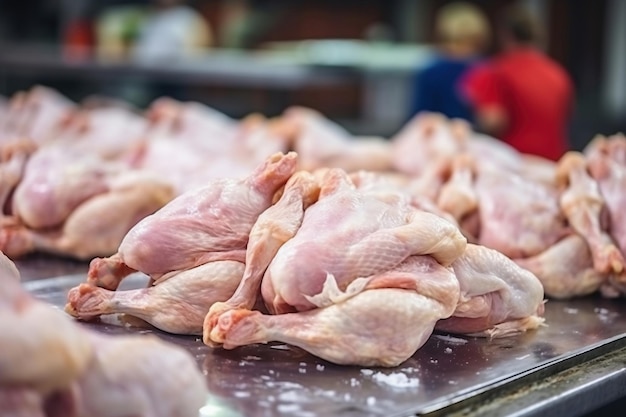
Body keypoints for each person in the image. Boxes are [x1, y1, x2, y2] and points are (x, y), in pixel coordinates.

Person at [463, 5, 574, 161]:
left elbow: (493, 120)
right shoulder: (558, 73)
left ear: (505, 35)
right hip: (553, 162)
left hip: (514, 164)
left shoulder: (497, 71)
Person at [408, 2, 491, 124]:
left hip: (444, 137)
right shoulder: (486, 69)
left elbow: (419, 116)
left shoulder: (432, 72)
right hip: (468, 136)